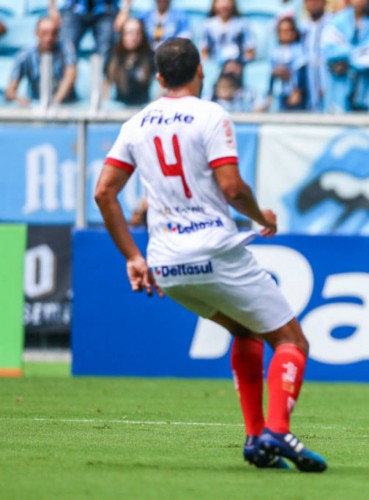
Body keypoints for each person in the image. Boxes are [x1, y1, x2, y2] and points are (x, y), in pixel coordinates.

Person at [94, 38, 327, 472]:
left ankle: (256, 439)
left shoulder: (136, 123)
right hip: (214, 249)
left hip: (166, 263)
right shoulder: (211, 114)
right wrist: (263, 218)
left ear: (160, 78)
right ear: (200, 72)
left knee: (244, 331)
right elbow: (233, 187)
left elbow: (104, 193)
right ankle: (277, 429)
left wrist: (132, 256)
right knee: (291, 341)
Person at [322, 0, 369, 112]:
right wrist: (343, 58)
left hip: (367, 77)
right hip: (340, 73)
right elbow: (329, 48)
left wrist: (347, 59)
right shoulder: (340, 19)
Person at [5, 18, 77, 107]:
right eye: (44, 33)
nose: (49, 38)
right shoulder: (25, 55)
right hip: (36, 105)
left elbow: (70, 76)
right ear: (36, 33)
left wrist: (55, 102)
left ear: (58, 35)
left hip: (66, 105)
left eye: (53, 33)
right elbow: (10, 91)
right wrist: (19, 99)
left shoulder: (66, 49)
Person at [49, 0, 126, 61]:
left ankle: (103, 78)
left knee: (106, 49)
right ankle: (67, 77)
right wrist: (52, 8)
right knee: (66, 48)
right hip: (75, 7)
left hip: (105, 8)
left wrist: (125, 11)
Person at [103, 18, 155, 106]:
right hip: (119, 107)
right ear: (122, 35)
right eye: (129, 33)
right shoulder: (113, 56)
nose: (134, 37)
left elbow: (160, 86)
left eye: (137, 33)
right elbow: (106, 84)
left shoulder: (150, 57)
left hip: (143, 106)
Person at [264, 16, 307, 112]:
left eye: (288, 31)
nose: (285, 34)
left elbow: (301, 70)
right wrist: (269, 93)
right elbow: (272, 74)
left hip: (293, 92)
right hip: (280, 92)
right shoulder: (275, 52)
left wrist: (297, 91)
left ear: (294, 33)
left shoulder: (298, 50)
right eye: (282, 31)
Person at [201, 0, 255, 67]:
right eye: (220, 1)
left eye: (227, 1)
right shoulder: (208, 24)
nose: (224, 5)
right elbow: (204, 51)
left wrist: (241, 61)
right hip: (215, 64)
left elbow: (250, 51)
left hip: (236, 64)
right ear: (214, 4)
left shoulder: (241, 24)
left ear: (233, 4)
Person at [299, 0, 331, 111]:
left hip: (327, 70)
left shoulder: (333, 22)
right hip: (308, 71)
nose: (313, 3)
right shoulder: (303, 26)